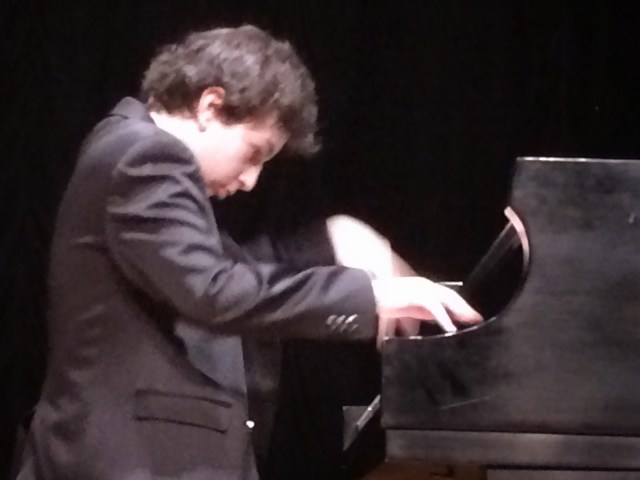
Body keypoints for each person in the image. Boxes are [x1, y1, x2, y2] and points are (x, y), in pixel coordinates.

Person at [16, 25, 481, 480]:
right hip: (132, 461)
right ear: (210, 106)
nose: (250, 181)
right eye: (255, 153)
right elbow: (215, 290)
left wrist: (337, 243)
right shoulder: (149, 157)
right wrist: (373, 296)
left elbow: (233, 273)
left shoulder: (131, 153)